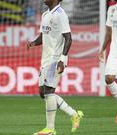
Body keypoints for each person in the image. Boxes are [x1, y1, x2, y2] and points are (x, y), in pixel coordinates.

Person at [27, 0, 84, 134]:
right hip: (46, 59)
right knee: (43, 93)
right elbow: (42, 36)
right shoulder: (45, 14)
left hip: (56, 59)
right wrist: (33, 43)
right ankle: (74, 114)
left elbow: (69, 38)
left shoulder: (61, 14)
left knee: (49, 92)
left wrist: (62, 59)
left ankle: (50, 129)